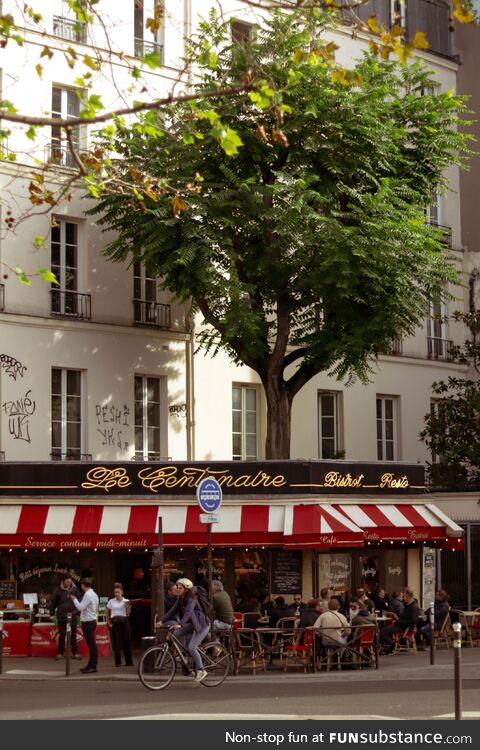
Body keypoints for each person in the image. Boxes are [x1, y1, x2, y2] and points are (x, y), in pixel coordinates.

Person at [163, 578, 210, 682]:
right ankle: (183, 655)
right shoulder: (180, 599)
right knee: (175, 634)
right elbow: (172, 611)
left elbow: (188, 612)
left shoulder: (191, 599)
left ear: (186, 589)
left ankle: (201, 670)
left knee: (192, 647)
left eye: (180, 588)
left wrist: (180, 624)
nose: (177, 589)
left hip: (202, 625)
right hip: (193, 625)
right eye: (177, 587)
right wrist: (162, 621)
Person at [49, 575, 82, 661]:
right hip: (62, 615)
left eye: (70, 579)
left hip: (73, 615)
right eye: (67, 579)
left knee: (74, 634)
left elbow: (80, 600)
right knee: (62, 634)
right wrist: (51, 614)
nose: (68, 581)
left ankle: (75, 653)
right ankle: (59, 653)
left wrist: (79, 612)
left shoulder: (75, 589)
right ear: (63, 580)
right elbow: (53, 602)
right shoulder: (58, 590)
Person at [72, 577, 99, 674]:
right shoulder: (94, 594)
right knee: (92, 645)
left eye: (81, 585)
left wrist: (74, 599)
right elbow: (96, 608)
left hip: (88, 622)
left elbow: (80, 607)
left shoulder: (88, 595)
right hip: (91, 620)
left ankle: (93, 666)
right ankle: (90, 665)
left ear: (83, 585)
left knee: (92, 645)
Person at [381, 588, 420, 653]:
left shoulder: (413, 607)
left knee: (382, 631)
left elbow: (413, 621)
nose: (403, 598)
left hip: (404, 627)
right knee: (383, 630)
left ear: (408, 597)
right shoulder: (408, 605)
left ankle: (392, 645)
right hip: (401, 625)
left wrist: (399, 622)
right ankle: (391, 646)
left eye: (404, 596)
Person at [106, 582, 133, 667]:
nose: (117, 594)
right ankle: (118, 662)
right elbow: (107, 613)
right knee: (117, 643)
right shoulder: (111, 601)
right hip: (115, 622)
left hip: (124, 621)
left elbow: (128, 614)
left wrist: (127, 607)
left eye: (118, 592)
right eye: (115, 592)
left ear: (122, 592)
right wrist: (109, 623)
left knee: (127, 641)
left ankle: (129, 662)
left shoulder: (126, 601)